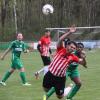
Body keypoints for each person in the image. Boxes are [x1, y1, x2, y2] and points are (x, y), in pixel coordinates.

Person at [43, 26, 84, 100]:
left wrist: (83, 58)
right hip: (51, 74)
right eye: (71, 47)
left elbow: (82, 62)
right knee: (45, 89)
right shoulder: (60, 49)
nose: (72, 49)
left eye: (74, 48)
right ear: (67, 46)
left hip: (61, 78)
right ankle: (52, 91)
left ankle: (67, 89)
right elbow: (60, 39)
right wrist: (70, 32)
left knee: (60, 97)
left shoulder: (73, 57)